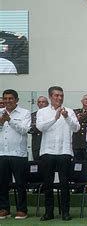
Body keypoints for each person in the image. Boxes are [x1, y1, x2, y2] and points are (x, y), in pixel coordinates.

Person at [36, 86, 80, 221]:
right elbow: (40, 127)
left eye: (61, 95)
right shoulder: (42, 112)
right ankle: (49, 212)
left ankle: (65, 212)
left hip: (64, 151)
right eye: (56, 96)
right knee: (48, 183)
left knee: (64, 183)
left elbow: (76, 128)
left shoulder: (70, 111)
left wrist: (66, 117)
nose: (59, 98)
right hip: (47, 151)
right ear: (50, 97)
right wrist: (55, 118)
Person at [0, 89, 31, 220]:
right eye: (5, 99)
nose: (8, 101)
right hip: (2, 153)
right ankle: (4, 209)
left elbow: (25, 130)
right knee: (2, 183)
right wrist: (1, 121)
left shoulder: (25, 113)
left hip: (19, 154)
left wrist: (10, 120)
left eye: (10, 98)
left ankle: (22, 209)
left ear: (17, 100)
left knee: (20, 184)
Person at [72, 94, 87, 161]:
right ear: (82, 101)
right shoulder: (75, 112)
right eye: (86, 99)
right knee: (75, 165)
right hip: (77, 142)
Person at [29, 96, 49, 160]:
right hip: (36, 143)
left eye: (43, 102)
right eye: (39, 102)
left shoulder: (51, 114)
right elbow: (29, 129)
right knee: (37, 165)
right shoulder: (33, 115)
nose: (41, 103)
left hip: (48, 144)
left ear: (47, 104)